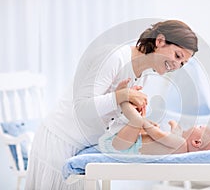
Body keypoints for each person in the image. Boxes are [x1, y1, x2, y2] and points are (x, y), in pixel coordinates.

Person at [25, 20, 198, 189]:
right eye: (177, 56)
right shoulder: (115, 58)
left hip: (83, 149)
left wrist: (136, 120)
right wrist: (122, 96)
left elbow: (111, 121)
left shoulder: (143, 76)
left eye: (182, 63)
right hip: (59, 143)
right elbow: (82, 108)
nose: (177, 65)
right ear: (160, 41)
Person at [98, 79, 210, 155]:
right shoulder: (180, 144)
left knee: (137, 120)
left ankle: (122, 98)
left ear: (196, 142)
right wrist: (171, 125)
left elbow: (159, 135)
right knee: (143, 121)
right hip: (127, 143)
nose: (195, 125)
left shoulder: (181, 144)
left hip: (124, 146)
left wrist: (145, 124)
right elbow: (174, 132)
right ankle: (125, 99)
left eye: (199, 127)